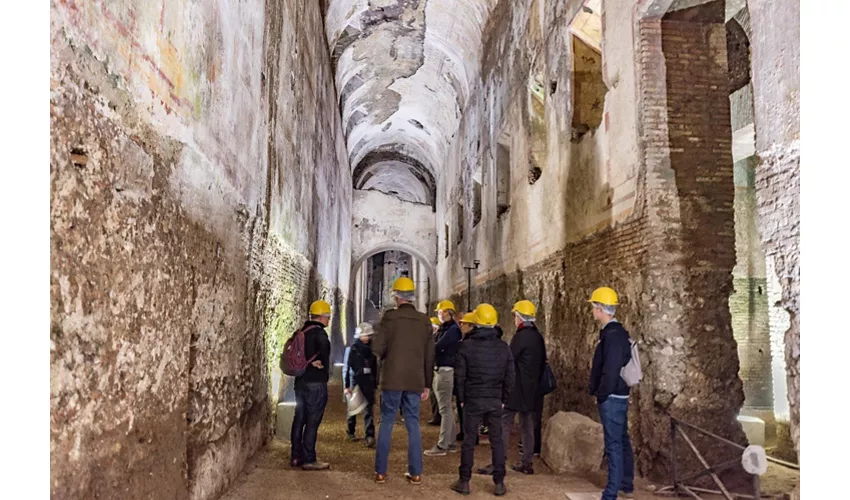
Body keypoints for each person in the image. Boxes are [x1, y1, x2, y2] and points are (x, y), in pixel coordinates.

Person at [372, 277, 435, 485]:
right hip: (415, 379)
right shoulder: (425, 321)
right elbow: (429, 356)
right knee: (413, 423)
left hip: (392, 379)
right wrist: (427, 383)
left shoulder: (389, 318)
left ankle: (381, 472)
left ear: (396, 297)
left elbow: (377, 350)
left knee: (387, 421)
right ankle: (415, 472)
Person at [451, 304, 514, 497]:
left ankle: (464, 481)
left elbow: (460, 376)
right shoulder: (503, 347)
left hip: (473, 399)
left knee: (469, 441)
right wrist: (503, 398)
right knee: (497, 441)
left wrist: (461, 399)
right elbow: (510, 376)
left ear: (476, 322)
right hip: (495, 400)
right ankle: (499, 482)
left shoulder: (466, 346)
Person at [477, 299, 546, 476]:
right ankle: (527, 463)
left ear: (520, 317)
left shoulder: (520, 337)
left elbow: (508, 359)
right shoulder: (538, 337)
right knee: (527, 426)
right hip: (532, 390)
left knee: (504, 424)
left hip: (516, 389)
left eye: (515, 315)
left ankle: (498, 462)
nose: (514, 319)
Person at [587, 287, 634, 500]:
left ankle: (611, 492)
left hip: (612, 396)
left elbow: (611, 368)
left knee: (613, 442)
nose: (592, 311)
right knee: (622, 439)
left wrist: (602, 393)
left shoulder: (613, 335)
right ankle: (626, 484)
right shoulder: (615, 333)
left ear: (600, 309)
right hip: (618, 394)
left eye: (593, 306)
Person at [290, 300, 333, 471]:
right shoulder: (320, 335)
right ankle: (309, 458)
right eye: (328, 317)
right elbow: (324, 355)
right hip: (315, 384)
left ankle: (295, 456)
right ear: (322, 317)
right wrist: (321, 364)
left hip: (300, 382)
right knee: (312, 421)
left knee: (299, 419)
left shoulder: (302, 331)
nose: (328, 321)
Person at [425, 300, 463, 457]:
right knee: (446, 407)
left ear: (450, 313)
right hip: (441, 370)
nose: (439, 315)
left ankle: (442, 445)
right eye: (439, 313)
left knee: (445, 410)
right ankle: (451, 442)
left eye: (442, 312)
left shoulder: (452, 330)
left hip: (445, 371)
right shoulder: (446, 328)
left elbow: (437, 346)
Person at [343, 322, 378, 448]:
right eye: (364, 336)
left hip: (368, 381)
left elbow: (375, 367)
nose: (366, 338)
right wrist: (347, 386)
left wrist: (375, 383)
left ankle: (370, 435)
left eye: (368, 335)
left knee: (368, 409)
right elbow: (347, 368)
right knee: (353, 408)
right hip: (356, 381)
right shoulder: (353, 349)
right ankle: (350, 430)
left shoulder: (372, 350)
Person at [455, 312, 477, 444]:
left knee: (468, 412)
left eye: (464, 324)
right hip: (469, 383)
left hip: (468, 383)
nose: (461, 325)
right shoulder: (466, 341)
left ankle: (470, 436)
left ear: (471, 326)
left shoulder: (467, 344)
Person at [427, 317, 442, 426]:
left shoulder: (437, 338)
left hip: (437, 368)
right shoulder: (433, 337)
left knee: (437, 394)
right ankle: (436, 415)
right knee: (433, 394)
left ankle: (438, 416)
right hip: (433, 367)